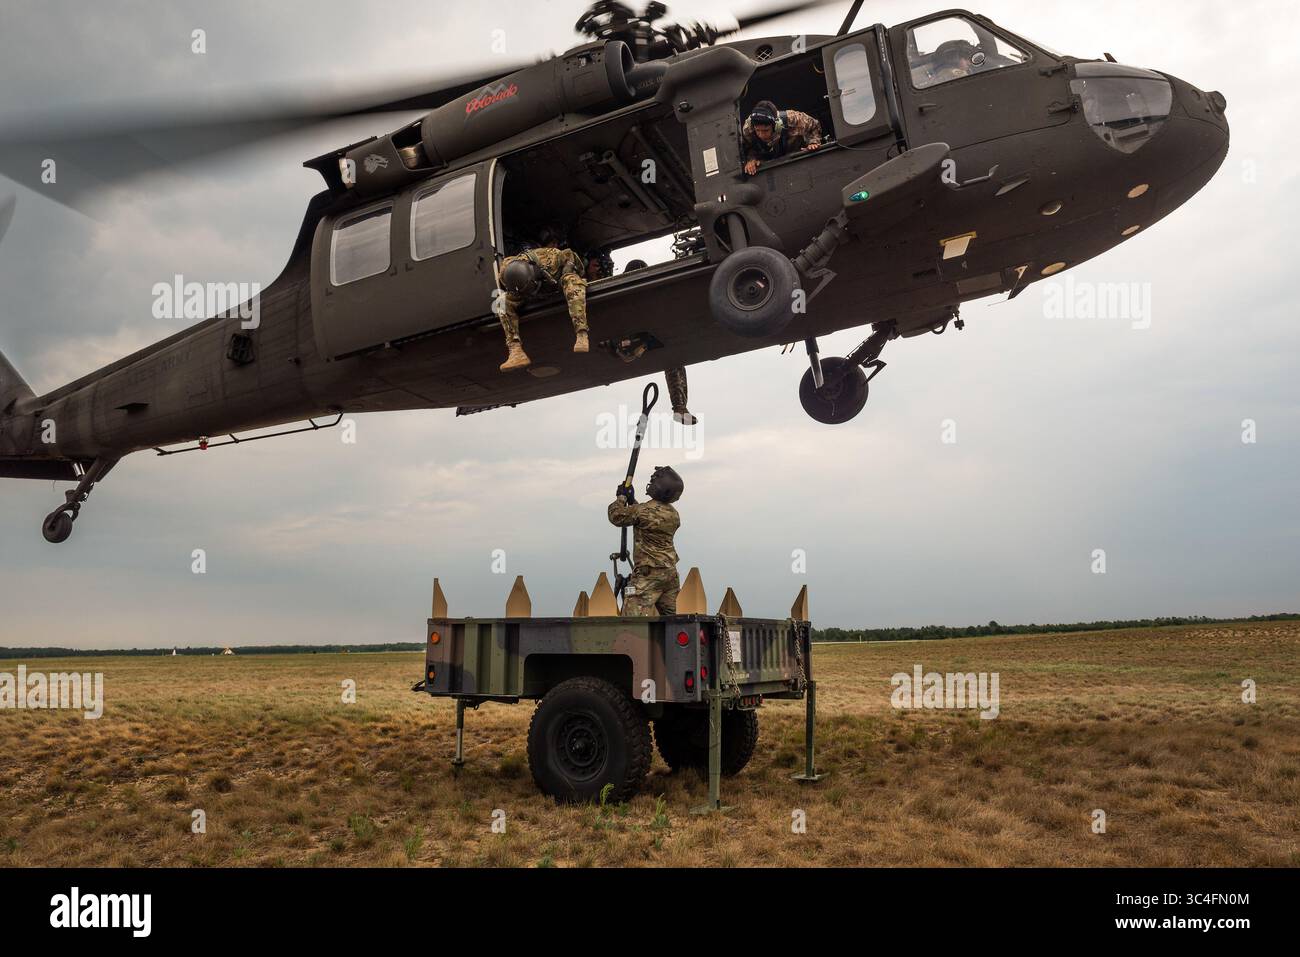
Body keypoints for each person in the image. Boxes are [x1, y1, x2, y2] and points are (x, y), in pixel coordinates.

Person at [495, 239, 589, 372]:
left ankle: (581, 334)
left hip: (556, 282)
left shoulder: (553, 258)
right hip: (524, 288)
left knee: (572, 280)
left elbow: (578, 266)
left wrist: (568, 270)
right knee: (501, 301)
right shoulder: (506, 273)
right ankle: (515, 351)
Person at [608, 466, 684, 616]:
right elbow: (647, 517)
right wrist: (632, 500)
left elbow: (616, 516)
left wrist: (622, 497)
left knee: (632, 622)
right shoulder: (673, 514)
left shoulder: (642, 511)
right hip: (669, 576)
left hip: (648, 575)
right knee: (673, 622)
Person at [741, 100, 823, 176]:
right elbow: (748, 147)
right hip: (771, 169)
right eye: (757, 130)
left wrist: (813, 142)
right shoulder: (748, 129)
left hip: (798, 161)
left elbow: (814, 125)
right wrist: (751, 159)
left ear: (776, 126)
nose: (761, 135)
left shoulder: (793, 119)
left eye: (765, 130)